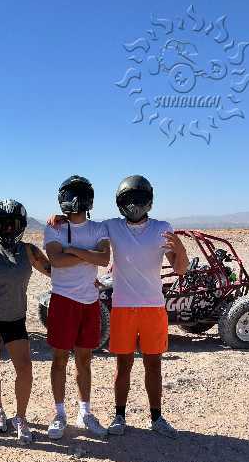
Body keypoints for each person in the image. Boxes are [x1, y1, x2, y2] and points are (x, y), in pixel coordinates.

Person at [104, 175, 188, 437]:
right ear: (120, 202)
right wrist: (59, 220)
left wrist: (181, 249)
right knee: (123, 365)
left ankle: (157, 418)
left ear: (149, 200)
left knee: (154, 365)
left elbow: (180, 269)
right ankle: (119, 416)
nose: (134, 205)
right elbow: (82, 228)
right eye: (129, 199)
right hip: (123, 307)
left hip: (153, 307)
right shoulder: (112, 226)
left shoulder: (162, 228)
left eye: (139, 199)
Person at [0, 199, 50, 444]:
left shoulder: (29, 251)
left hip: (15, 317)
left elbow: (54, 271)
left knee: (25, 368)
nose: (8, 229)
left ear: (21, 226)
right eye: (3, 224)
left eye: (13, 224)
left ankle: (21, 417)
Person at [43, 176, 110, 441]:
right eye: (70, 194)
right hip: (63, 300)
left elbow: (104, 258)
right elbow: (56, 260)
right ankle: (59, 414)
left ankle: (85, 412)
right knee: (59, 359)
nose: (74, 200)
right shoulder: (55, 227)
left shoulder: (98, 228)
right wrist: (86, 254)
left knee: (85, 359)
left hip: (89, 302)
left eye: (77, 194)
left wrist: (72, 250)